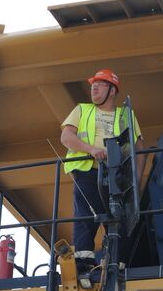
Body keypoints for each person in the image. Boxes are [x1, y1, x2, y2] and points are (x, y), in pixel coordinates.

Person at [60, 69, 145, 277]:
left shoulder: (126, 115)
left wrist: (136, 180)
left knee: (121, 218)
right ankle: (84, 263)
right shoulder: (82, 109)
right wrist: (92, 150)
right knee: (85, 216)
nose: (94, 87)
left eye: (100, 84)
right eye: (92, 85)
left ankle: (117, 262)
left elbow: (140, 147)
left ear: (112, 90)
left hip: (118, 176)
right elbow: (66, 137)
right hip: (87, 171)